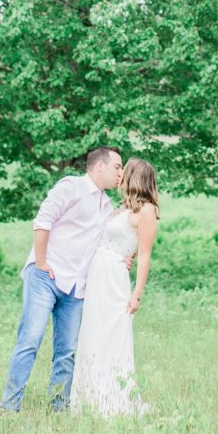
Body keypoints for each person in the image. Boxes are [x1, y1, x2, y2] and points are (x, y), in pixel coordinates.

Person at [0, 146, 124, 412]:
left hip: (76, 288)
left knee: (66, 352)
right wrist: (41, 262)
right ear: (99, 166)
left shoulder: (107, 206)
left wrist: (124, 257)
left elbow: (107, 243)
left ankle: (58, 409)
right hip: (46, 277)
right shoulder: (71, 187)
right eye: (117, 167)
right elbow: (43, 221)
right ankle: (9, 407)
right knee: (30, 341)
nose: (121, 173)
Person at [70, 158, 159, 417]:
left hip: (113, 279)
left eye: (124, 169)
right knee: (92, 333)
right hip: (97, 275)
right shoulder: (121, 208)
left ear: (135, 176)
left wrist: (137, 296)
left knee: (111, 335)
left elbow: (144, 255)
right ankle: (89, 397)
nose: (119, 174)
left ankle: (113, 400)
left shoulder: (147, 211)